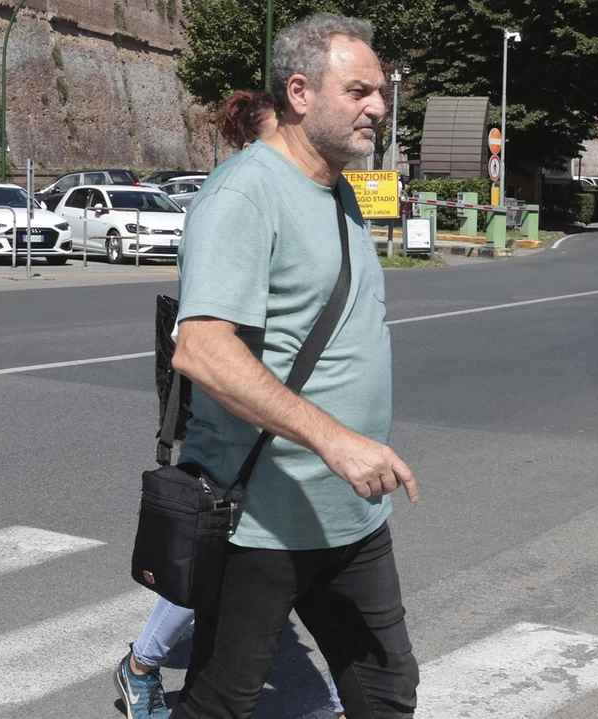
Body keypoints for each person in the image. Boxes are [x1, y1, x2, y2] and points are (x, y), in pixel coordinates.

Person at [167, 13, 420, 719]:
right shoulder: (246, 193)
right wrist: (336, 439)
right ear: (302, 93)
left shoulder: (337, 190)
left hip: (350, 514)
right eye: (361, 90)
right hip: (262, 520)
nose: (379, 106)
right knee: (221, 703)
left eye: (380, 91)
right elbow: (202, 347)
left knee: (385, 689)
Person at [114, 89, 347, 719]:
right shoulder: (234, 195)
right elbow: (204, 338)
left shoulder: (288, 194)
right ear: (251, 141)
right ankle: (141, 664)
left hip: (277, 417)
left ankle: (335, 696)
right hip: (233, 416)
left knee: (249, 554)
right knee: (210, 545)